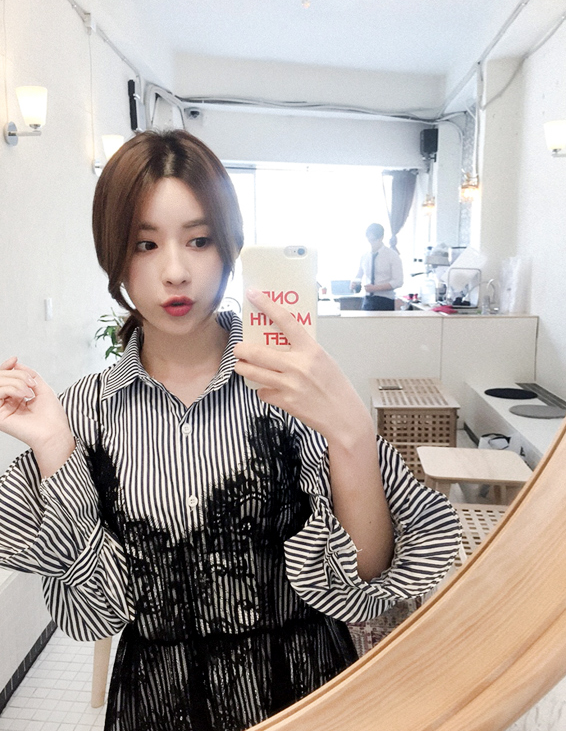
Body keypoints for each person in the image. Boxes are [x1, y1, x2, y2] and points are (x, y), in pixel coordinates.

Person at [0, 130, 460, 731]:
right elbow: (94, 615)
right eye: (145, 244)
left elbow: (367, 581)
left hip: (305, 695)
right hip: (157, 707)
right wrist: (55, 447)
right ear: (114, 254)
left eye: (200, 240)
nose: (175, 272)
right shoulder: (85, 413)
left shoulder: (290, 388)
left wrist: (349, 429)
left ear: (230, 246)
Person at [352, 223, 404, 311]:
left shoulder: (392, 255)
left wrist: (376, 288)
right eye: (369, 240)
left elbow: (398, 281)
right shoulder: (365, 256)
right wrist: (354, 283)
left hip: (386, 300)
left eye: (374, 240)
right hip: (368, 300)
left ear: (381, 237)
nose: (371, 243)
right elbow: (359, 275)